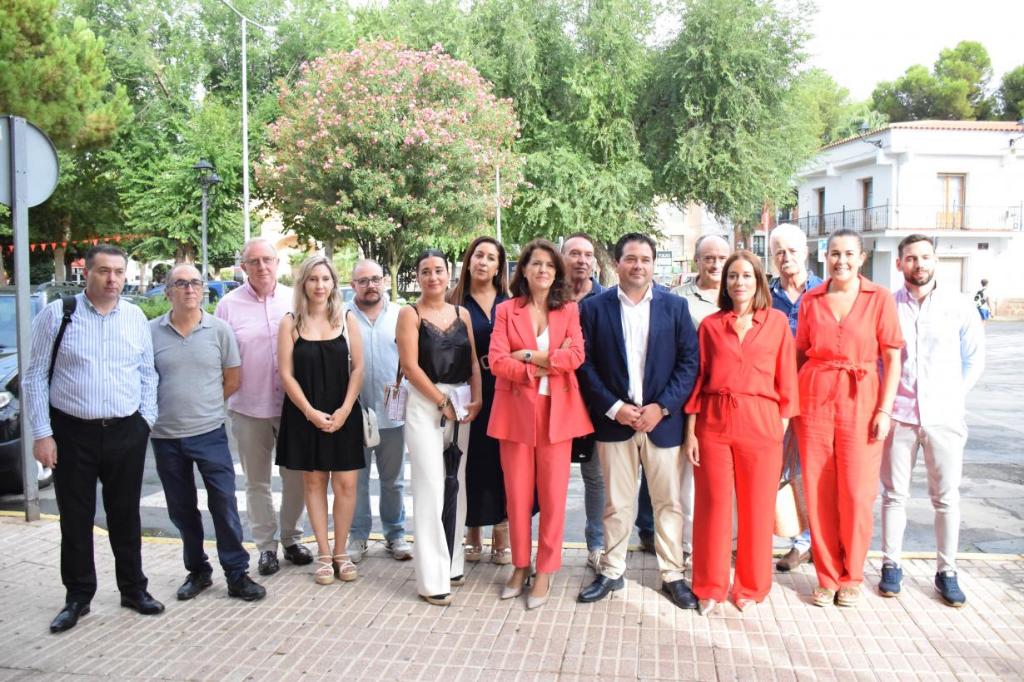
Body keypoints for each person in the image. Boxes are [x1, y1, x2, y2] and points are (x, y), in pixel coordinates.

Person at [24, 245, 163, 633]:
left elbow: (147, 374)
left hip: (126, 431)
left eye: (118, 271)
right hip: (72, 433)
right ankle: (78, 596)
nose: (112, 279)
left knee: (126, 515)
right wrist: (42, 434)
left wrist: (145, 421)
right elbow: (35, 376)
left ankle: (133, 589)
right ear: (87, 272)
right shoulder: (59, 314)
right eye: (104, 271)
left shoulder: (134, 317)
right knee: (76, 517)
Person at [576, 233, 700, 610]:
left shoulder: (675, 307)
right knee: (617, 503)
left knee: (668, 503)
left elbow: (689, 363)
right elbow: (585, 365)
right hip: (615, 422)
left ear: (653, 264)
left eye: (645, 259)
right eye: (630, 259)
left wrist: (661, 407)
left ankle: (673, 574)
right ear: (617, 264)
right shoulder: (593, 309)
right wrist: (614, 407)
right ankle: (612, 571)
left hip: (662, 423)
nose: (638, 266)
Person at [684, 251, 799, 615]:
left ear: (758, 280)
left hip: (762, 423)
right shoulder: (710, 326)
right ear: (725, 283)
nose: (739, 282)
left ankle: (750, 587)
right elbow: (698, 380)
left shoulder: (776, 323)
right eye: (733, 276)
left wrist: (779, 431)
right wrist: (691, 433)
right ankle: (709, 586)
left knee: (757, 509)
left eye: (746, 275)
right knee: (713, 508)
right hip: (714, 422)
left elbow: (787, 382)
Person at [794, 228, 903, 608]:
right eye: (834, 254)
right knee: (819, 490)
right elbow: (800, 354)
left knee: (857, 493)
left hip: (862, 398)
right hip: (815, 398)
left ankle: (851, 575)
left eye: (848, 254)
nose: (841, 260)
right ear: (825, 258)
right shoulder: (811, 299)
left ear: (861, 258)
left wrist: (885, 409)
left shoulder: (879, 298)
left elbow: (892, 359)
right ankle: (826, 576)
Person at [879, 234, 985, 607]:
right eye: (911, 258)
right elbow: (881, 362)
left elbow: (974, 359)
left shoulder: (959, 306)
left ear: (935, 261)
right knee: (893, 495)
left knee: (946, 498)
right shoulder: (888, 307)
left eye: (925, 257)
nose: (919, 264)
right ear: (899, 264)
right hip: (900, 416)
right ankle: (891, 565)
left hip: (945, 417)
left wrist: (954, 397)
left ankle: (947, 571)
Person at [150, 263, 266, 602]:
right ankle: (198, 571)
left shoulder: (219, 330)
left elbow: (233, 379)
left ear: (203, 290)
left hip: (210, 432)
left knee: (224, 503)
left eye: (195, 283)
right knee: (181, 509)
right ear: (168, 292)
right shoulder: (150, 332)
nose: (189, 289)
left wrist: (207, 405)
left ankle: (236, 574)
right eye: (180, 283)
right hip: (165, 436)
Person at [488, 239, 594, 609]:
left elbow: (576, 355)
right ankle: (520, 565)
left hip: (557, 412)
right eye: (536, 263)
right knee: (517, 496)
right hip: (515, 413)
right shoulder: (506, 310)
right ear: (524, 269)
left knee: (553, 497)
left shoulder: (568, 310)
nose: (543, 270)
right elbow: (497, 360)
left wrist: (529, 356)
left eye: (549, 265)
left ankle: (546, 569)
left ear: (556, 272)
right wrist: (547, 363)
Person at [215, 238, 313, 576]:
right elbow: (220, 356)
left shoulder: (294, 299)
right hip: (248, 407)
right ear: (243, 267)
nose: (261, 267)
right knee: (256, 482)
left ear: (277, 263)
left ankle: (291, 539)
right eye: (254, 261)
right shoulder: (228, 306)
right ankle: (266, 547)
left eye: (267, 260)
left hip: (293, 407)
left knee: (296, 478)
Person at [396, 249, 483, 605]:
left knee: (455, 484)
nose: (433, 277)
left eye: (438, 270)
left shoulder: (463, 313)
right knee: (430, 486)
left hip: (460, 403)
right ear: (417, 277)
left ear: (449, 274)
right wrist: (441, 402)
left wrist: (476, 399)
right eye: (425, 271)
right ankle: (432, 579)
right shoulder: (410, 314)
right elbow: (410, 366)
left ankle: (453, 563)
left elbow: (473, 361)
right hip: (425, 403)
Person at [276, 256, 365, 584]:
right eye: (313, 279)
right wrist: (310, 412)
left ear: (333, 283)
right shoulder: (290, 323)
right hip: (305, 415)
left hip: (344, 412)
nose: (319, 285)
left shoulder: (347, 318)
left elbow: (358, 368)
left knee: (346, 485)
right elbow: (286, 374)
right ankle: (324, 554)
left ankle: (341, 552)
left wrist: (345, 410)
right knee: (314, 484)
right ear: (303, 283)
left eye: (325, 279)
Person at [449, 237, 511, 565]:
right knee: (470, 461)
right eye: (478, 255)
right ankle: (472, 530)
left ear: (499, 266)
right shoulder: (452, 300)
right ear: (469, 260)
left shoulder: (510, 302)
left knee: (503, 461)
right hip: (466, 390)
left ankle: (502, 529)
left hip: (505, 387)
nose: (483, 262)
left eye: (490, 257)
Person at [346, 260, 412, 563]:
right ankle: (358, 536)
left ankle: (395, 534)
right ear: (353, 285)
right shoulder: (343, 316)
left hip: (393, 411)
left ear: (384, 280)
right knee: (356, 482)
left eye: (375, 279)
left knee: (393, 481)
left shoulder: (401, 314)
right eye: (363, 281)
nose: (370, 285)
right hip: (354, 412)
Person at [670, 233, 730, 563]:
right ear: (697, 261)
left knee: (723, 482)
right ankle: (687, 547)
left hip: (727, 401)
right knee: (685, 480)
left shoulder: (740, 293)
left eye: (722, 258)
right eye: (709, 258)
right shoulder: (677, 298)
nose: (716, 264)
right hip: (686, 398)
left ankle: (723, 544)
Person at [768, 223, 823, 572]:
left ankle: (806, 542)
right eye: (779, 252)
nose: (786, 257)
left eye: (792, 250)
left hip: (816, 398)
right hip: (773, 398)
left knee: (808, 471)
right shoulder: (764, 295)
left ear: (806, 252)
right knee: (773, 469)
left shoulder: (825, 292)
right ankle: (774, 536)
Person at [562, 233, 606, 572]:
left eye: (588, 254)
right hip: (554, 400)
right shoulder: (547, 297)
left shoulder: (607, 300)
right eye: (574, 253)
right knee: (549, 477)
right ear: (562, 257)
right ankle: (544, 549)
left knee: (596, 478)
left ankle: (596, 545)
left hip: (595, 402)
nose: (582, 260)